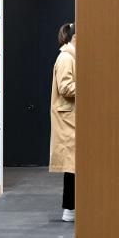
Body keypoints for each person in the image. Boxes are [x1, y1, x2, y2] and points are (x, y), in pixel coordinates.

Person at [50, 22, 77, 222]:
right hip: (69, 119)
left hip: (73, 117)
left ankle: (73, 208)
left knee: (75, 164)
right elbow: (66, 88)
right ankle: (69, 209)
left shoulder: (71, 56)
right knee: (72, 165)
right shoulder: (66, 58)